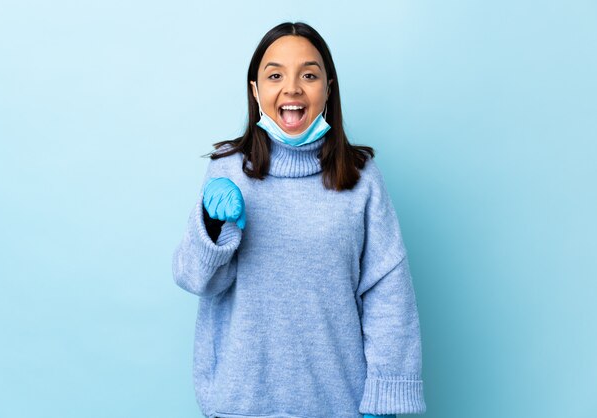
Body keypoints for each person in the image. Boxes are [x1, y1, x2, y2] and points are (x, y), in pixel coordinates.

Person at [172, 21, 426, 418]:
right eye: (275, 75)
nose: (292, 88)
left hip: (339, 403)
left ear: (328, 89)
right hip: (241, 404)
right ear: (256, 92)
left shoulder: (361, 177)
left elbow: (388, 292)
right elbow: (195, 279)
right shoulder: (227, 170)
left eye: (309, 74)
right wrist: (210, 223)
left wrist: (385, 393)